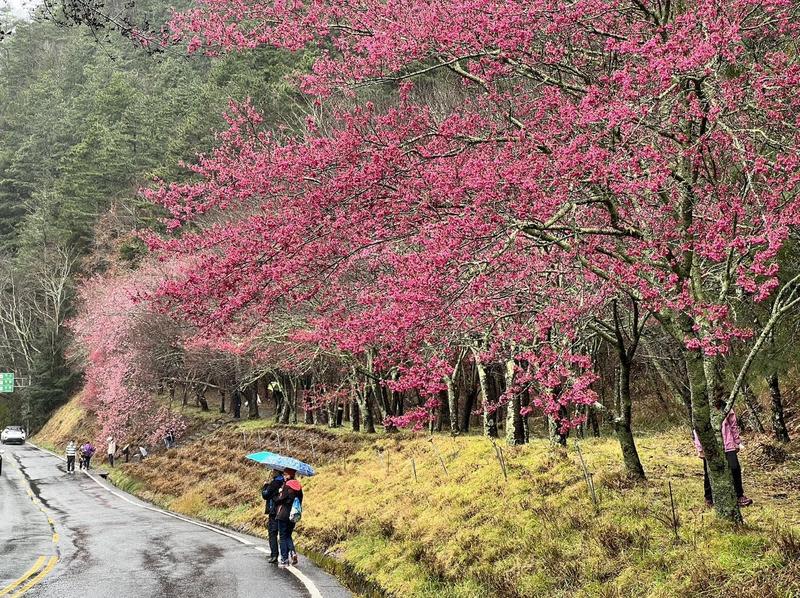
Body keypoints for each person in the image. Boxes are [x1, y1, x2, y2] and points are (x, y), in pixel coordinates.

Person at [693, 404, 753, 508]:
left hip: (728, 444)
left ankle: (739, 496)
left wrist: (737, 441)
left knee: (735, 468)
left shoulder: (726, 407)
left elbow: (733, 424)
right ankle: (709, 498)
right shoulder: (702, 407)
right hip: (710, 446)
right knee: (709, 472)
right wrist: (700, 448)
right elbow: (697, 429)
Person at [274, 467, 303, 567]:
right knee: (288, 535)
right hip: (293, 515)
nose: (284, 476)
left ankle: (284, 559)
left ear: (290, 475)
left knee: (282, 536)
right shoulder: (298, 486)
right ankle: (293, 553)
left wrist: (280, 492)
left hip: (283, 514)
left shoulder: (287, 485)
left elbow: (280, 500)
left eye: (285, 474)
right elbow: (300, 500)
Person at [261, 469, 285, 564]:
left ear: (277, 472)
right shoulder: (284, 482)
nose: (272, 472)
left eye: (274, 470)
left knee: (272, 532)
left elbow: (265, 495)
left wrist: (265, 486)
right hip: (283, 510)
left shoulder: (275, 483)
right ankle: (286, 555)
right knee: (283, 534)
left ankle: (274, 555)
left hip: (274, 511)